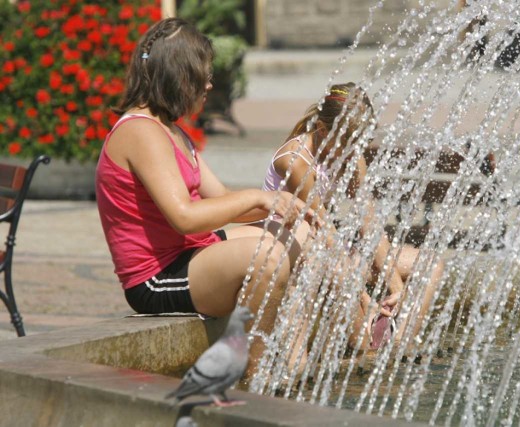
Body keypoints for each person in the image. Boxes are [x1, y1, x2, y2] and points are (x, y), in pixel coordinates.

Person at [95, 18, 315, 377]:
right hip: (156, 278)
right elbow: (184, 217)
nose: (210, 84)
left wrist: (285, 209)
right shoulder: (139, 131)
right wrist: (260, 199)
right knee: (269, 258)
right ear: (180, 76)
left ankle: (295, 361)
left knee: (301, 237)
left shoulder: (170, 131)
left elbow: (224, 199)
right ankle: (257, 375)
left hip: (190, 254)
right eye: (204, 75)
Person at [262, 82, 444, 352]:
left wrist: (396, 288)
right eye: (348, 144)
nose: (354, 151)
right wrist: (362, 295)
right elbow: (323, 230)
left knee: (430, 264)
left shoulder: (349, 155)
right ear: (324, 131)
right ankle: (372, 354)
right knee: (363, 337)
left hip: (328, 250)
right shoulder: (296, 160)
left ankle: (397, 349)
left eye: (360, 143)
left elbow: (370, 226)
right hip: (292, 251)